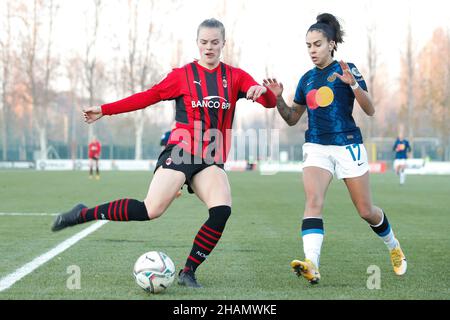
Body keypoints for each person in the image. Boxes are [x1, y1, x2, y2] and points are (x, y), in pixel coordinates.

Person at [51, 18, 276, 288]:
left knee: (221, 211)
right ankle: (82, 213)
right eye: (204, 42)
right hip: (181, 150)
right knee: (151, 209)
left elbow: (267, 100)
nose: (209, 47)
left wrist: (264, 92)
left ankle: (188, 271)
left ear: (223, 43)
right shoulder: (182, 76)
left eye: (215, 42)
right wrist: (105, 109)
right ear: (197, 43)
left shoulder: (236, 76)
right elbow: (148, 96)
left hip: (211, 158)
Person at [264, 13, 407, 284]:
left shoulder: (347, 69)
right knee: (313, 202)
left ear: (330, 43)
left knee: (366, 211)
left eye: (317, 44)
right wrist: (278, 99)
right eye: (308, 45)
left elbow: (370, 109)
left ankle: (393, 245)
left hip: (347, 145)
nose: (312, 50)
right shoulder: (306, 79)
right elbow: (292, 118)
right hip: (316, 146)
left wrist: (352, 84)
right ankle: (312, 264)